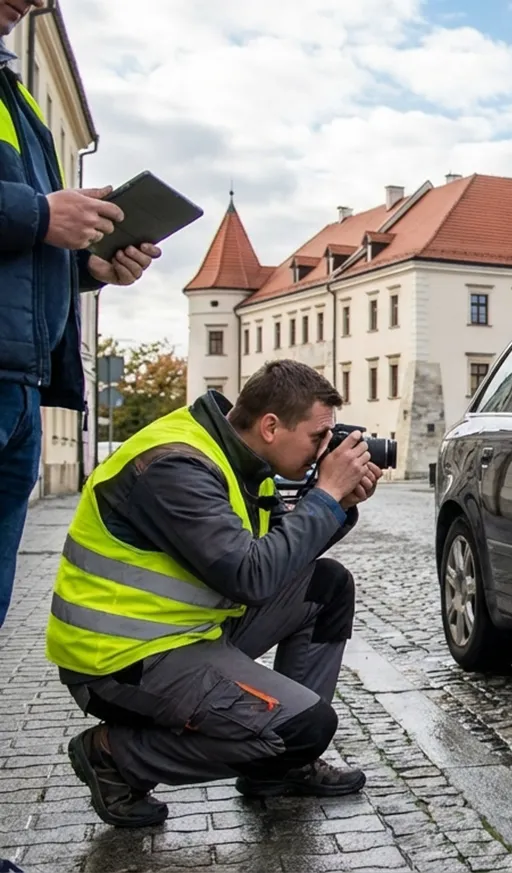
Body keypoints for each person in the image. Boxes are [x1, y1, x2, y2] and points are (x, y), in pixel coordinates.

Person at [45, 360, 382, 828]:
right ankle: (115, 758)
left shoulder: (241, 458)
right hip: (121, 661)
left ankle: (277, 771)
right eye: (317, 437)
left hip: (189, 633)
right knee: (306, 728)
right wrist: (323, 495)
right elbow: (250, 576)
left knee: (326, 586)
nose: (325, 448)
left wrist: (337, 505)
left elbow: (278, 556)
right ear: (270, 426)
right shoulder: (175, 465)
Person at [0, 0, 163, 629]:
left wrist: (87, 266)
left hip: (19, 382)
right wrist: (42, 214)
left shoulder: (14, 92)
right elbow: (33, 218)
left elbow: (26, 249)